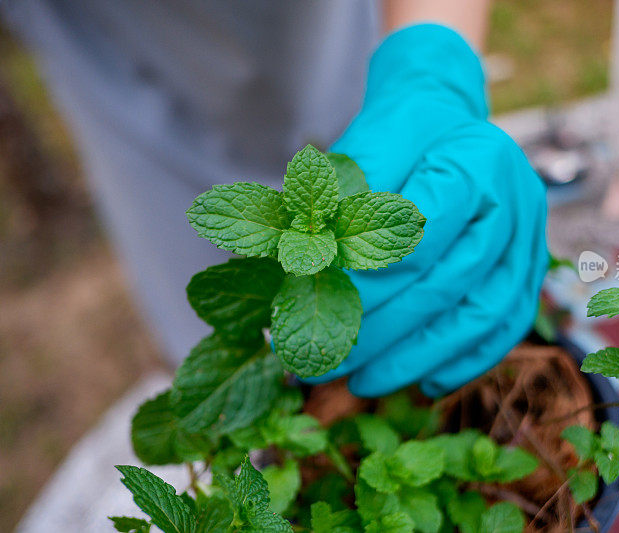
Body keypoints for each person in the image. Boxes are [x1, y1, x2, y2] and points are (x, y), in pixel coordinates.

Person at [2, 0, 548, 397]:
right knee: (209, 335)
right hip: (119, 57)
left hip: (332, 36)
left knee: (424, 244)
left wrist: (432, 60)